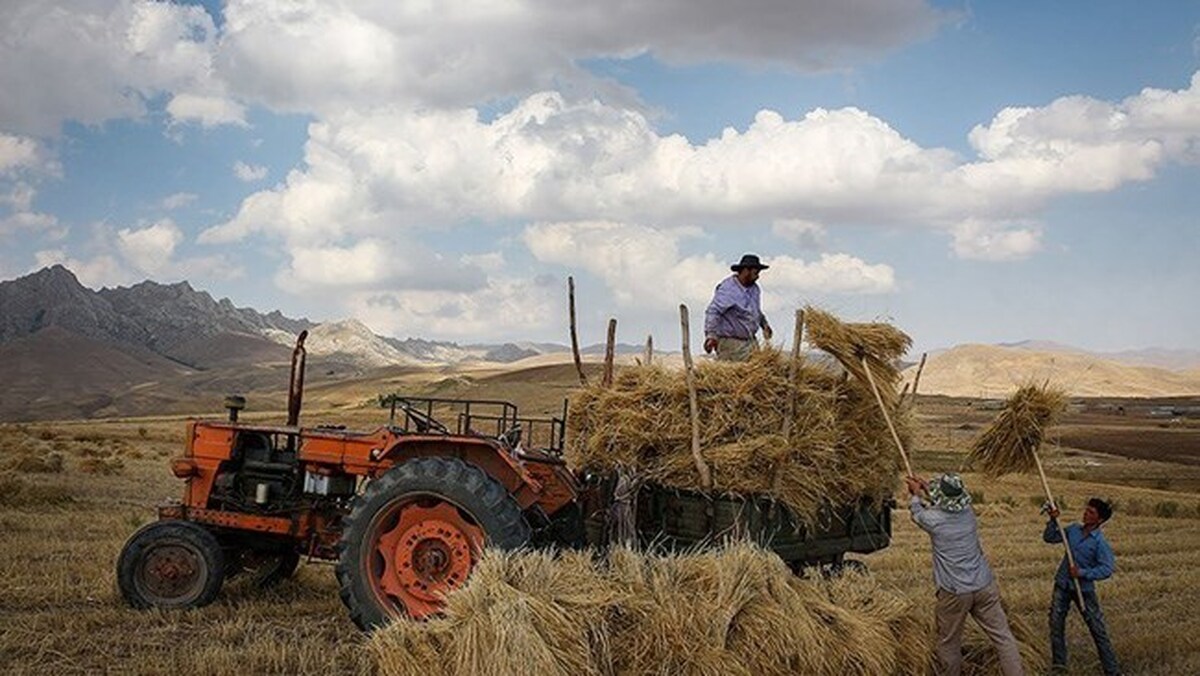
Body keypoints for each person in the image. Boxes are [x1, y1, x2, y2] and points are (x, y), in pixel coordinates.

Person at [905, 473, 1024, 676]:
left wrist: (916, 494)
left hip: (955, 591)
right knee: (1003, 638)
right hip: (983, 586)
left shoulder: (932, 519)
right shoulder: (968, 512)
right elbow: (947, 504)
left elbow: (917, 513)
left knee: (949, 643)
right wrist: (927, 488)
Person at [1043, 498, 1120, 675]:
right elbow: (1049, 538)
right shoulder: (1073, 530)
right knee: (1056, 625)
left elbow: (1106, 569)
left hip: (1083, 590)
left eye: (1091, 512)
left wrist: (1083, 573)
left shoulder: (1100, 543)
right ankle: (1059, 667)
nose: (1086, 513)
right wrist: (1053, 519)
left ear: (1099, 520)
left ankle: (1112, 671)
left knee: (1097, 630)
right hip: (1062, 584)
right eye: (1086, 510)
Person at [703, 254, 773, 362]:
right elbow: (714, 311)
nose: (758, 276)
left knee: (759, 371)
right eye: (756, 273)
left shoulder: (755, 289)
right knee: (735, 376)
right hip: (731, 343)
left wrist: (764, 325)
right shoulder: (728, 289)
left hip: (750, 342)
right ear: (746, 271)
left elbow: (755, 311)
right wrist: (711, 335)